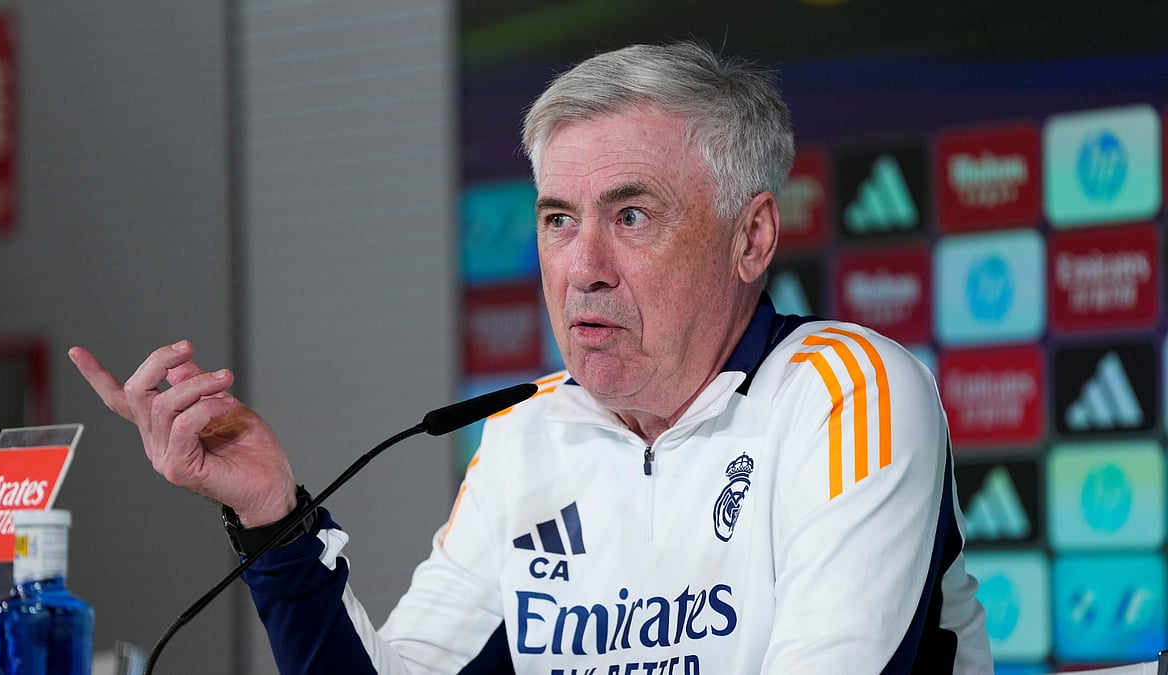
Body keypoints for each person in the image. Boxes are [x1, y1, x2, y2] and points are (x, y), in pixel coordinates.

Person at [70, 42, 993, 674]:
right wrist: (272, 517)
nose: (582, 267)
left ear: (750, 238)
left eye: (631, 215)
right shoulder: (528, 434)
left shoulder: (847, 395)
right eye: (558, 219)